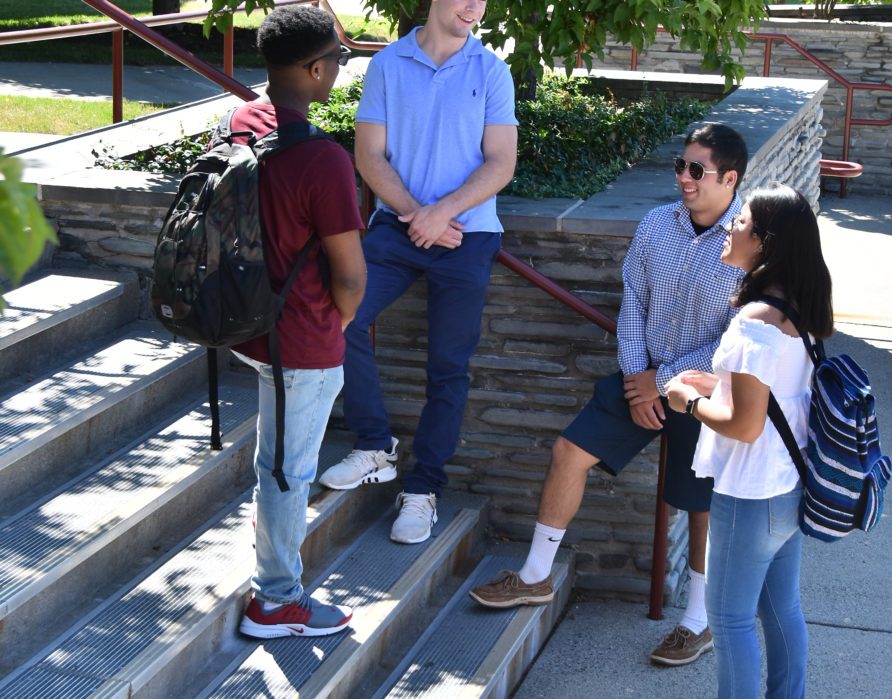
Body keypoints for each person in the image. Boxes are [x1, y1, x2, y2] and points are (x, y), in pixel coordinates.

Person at [469, 124, 749, 668]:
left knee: (699, 504)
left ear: (730, 177)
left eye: (697, 170)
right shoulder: (654, 225)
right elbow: (634, 306)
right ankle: (534, 576)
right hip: (638, 378)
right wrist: (636, 379)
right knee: (568, 451)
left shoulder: (746, 238)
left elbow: (737, 336)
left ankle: (698, 620)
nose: (683, 179)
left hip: (702, 389)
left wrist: (664, 377)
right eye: (679, 166)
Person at [317, 0, 518, 546]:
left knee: (447, 367)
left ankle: (423, 488)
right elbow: (369, 155)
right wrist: (416, 215)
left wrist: (442, 213)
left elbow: (501, 161)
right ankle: (375, 445)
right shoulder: (387, 65)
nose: (475, 6)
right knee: (341, 317)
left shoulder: (491, 71)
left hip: (467, 236)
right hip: (398, 227)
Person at [665, 184, 834, 698]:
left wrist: (685, 400)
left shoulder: (754, 321)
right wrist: (714, 384)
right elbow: (770, 394)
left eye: (740, 221)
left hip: (749, 495)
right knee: (781, 611)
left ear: (763, 242)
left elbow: (744, 425)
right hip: (787, 490)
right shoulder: (795, 309)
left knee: (730, 619)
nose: (730, 227)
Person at [232, 6, 367, 639]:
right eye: (338, 60)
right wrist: (338, 326)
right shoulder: (324, 160)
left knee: (275, 462)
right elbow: (349, 274)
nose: (339, 71)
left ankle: (272, 560)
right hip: (303, 339)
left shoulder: (241, 123)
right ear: (315, 70)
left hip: (248, 324)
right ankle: (276, 599)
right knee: (288, 469)